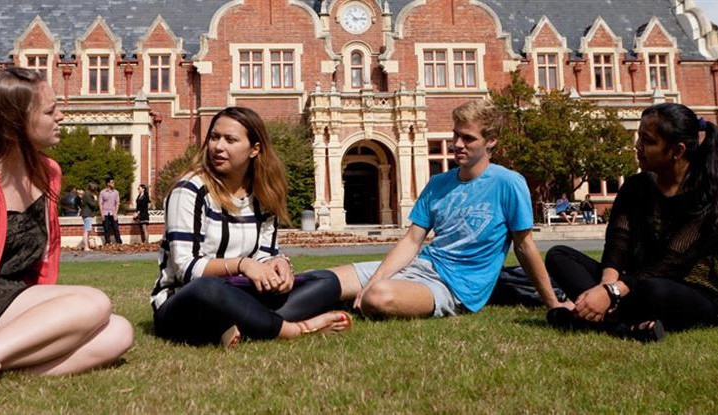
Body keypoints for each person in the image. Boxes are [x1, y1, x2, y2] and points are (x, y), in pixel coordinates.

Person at [0, 68, 133, 404]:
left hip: (14, 302)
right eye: (49, 111)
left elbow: (45, 259)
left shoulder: (48, 173)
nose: (61, 116)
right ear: (15, 123)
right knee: (95, 302)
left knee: (118, 333)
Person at [330, 100, 570, 319]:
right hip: (421, 266)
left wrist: (552, 303)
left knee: (377, 296)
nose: (457, 144)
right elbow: (413, 240)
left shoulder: (508, 183)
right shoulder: (438, 183)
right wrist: (376, 277)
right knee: (324, 280)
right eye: (455, 135)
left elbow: (524, 244)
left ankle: (357, 299)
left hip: (455, 286)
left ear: (491, 140)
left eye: (468, 138)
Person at [151, 106, 350, 348]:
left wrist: (279, 265)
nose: (218, 147)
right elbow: (186, 268)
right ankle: (294, 329)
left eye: (230, 140)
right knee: (209, 288)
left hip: (243, 294)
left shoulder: (263, 193)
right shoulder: (190, 189)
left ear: (254, 149)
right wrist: (243, 265)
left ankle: (239, 325)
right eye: (214, 137)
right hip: (188, 301)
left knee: (326, 281)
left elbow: (265, 253)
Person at [545, 103, 718, 342]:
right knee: (559, 256)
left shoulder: (708, 196)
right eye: (638, 137)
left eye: (647, 141)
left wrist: (612, 292)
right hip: (631, 285)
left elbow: (670, 263)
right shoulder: (635, 187)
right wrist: (606, 288)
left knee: (654, 289)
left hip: (687, 290)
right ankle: (624, 327)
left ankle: (580, 317)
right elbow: (618, 244)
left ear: (677, 151)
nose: (637, 146)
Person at [99, 177, 122, 244]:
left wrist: (116, 213)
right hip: (105, 213)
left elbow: (117, 203)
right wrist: (102, 214)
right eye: (112, 182)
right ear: (108, 183)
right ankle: (108, 242)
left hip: (113, 213)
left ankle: (119, 242)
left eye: (113, 182)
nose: (113, 184)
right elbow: (100, 204)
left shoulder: (116, 192)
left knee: (116, 228)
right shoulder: (102, 192)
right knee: (106, 229)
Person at [80, 183, 99, 251]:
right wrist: (96, 199)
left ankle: (86, 246)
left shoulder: (86, 193)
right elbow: (92, 204)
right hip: (87, 213)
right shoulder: (88, 194)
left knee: (87, 230)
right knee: (86, 230)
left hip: (86, 213)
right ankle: (86, 247)